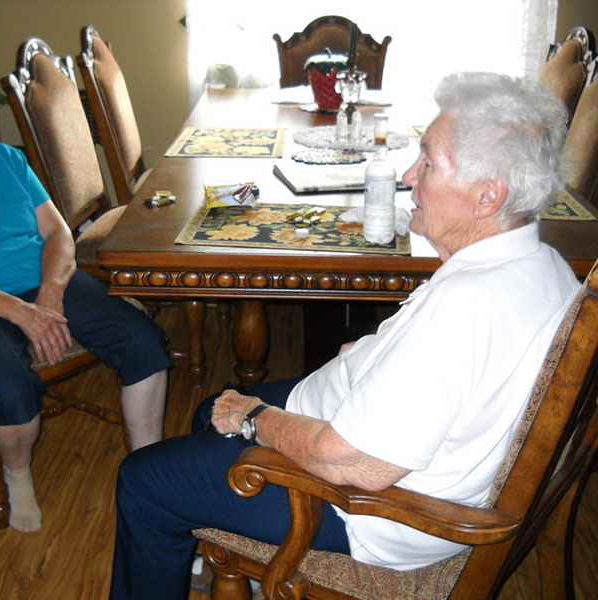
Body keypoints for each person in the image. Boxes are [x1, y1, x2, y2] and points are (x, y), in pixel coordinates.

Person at [108, 72, 581, 599]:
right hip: (354, 427)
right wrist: (377, 355)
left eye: (428, 163)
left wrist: (255, 417)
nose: (409, 175)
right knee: (209, 411)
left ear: (487, 196)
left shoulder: (467, 307)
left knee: (144, 481)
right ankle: (199, 546)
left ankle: (183, 538)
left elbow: (353, 463)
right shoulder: (545, 265)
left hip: (362, 510)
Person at [0, 51, 171, 534]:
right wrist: (22, 313)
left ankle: (148, 468)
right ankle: (17, 476)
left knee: (143, 341)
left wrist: (51, 296)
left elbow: (58, 233)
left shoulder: (9, 159)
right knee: (10, 385)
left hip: (38, 281)